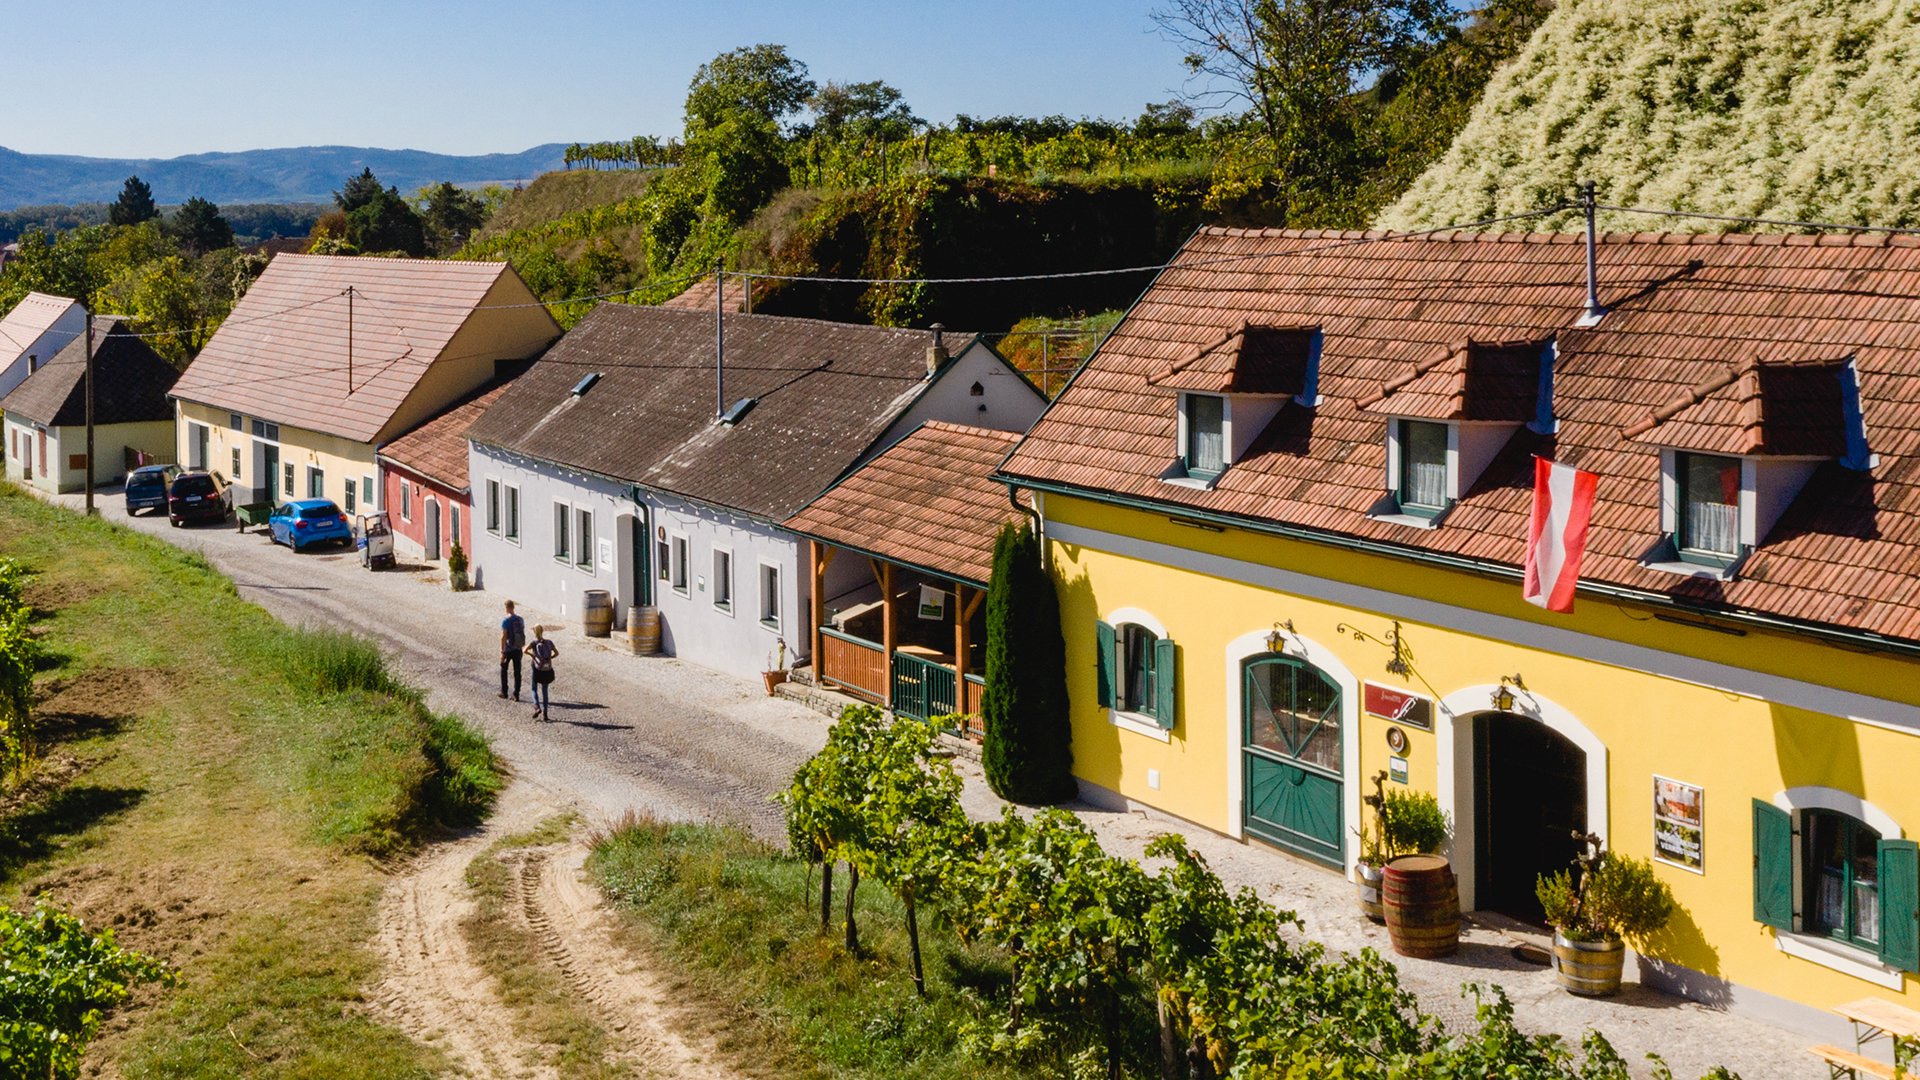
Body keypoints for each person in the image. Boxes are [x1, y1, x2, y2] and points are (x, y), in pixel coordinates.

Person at [526, 626, 558, 721]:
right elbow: (557, 653)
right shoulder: (549, 642)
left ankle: (537, 707)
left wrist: (532, 655)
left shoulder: (533, 643)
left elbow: (524, 650)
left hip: (537, 669)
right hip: (547, 669)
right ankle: (545, 713)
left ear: (534, 632)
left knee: (534, 688)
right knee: (545, 691)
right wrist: (549, 659)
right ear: (542, 631)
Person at [499, 600, 526, 700]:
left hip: (508, 649)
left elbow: (503, 636)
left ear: (506, 608)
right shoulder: (520, 620)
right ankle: (516, 694)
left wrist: (502, 651)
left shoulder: (506, 621)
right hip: (518, 649)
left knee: (504, 669)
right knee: (517, 672)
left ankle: (504, 692)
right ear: (513, 607)